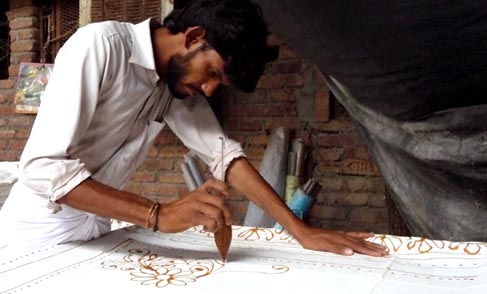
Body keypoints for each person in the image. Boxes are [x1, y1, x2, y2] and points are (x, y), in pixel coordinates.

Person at [0, 0, 387, 257]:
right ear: (194, 37)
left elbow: (224, 156)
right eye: (213, 73)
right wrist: (157, 214)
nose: (208, 89)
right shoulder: (100, 46)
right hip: (35, 232)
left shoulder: (171, 86)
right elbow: (43, 168)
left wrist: (298, 230)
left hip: (98, 229)